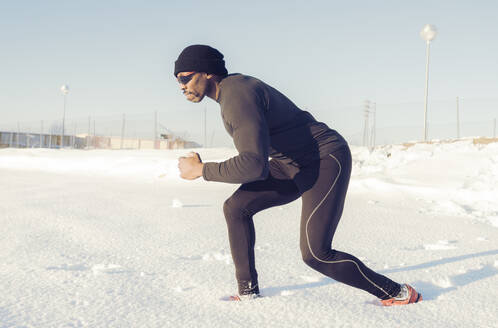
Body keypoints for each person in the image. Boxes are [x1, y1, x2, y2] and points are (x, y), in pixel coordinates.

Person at [174, 44, 422, 305]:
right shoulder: (232, 93)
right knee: (236, 208)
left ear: (208, 72)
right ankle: (248, 292)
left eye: (184, 77)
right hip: (290, 163)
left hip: (324, 159)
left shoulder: (237, 95)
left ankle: (397, 292)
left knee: (316, 253)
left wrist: (202, 170)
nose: (181, 85)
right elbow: (256, 162)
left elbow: (252, 165)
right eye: (177, 80)